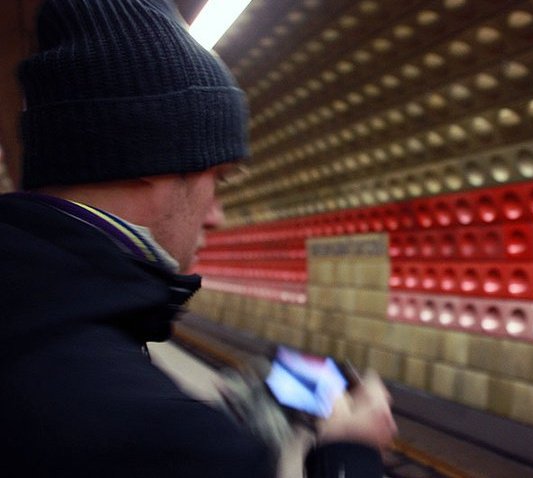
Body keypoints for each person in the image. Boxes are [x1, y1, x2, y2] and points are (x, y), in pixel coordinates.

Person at [0, 0, 397, 477]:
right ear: (148, 157)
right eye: (219, 178)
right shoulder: (167, 437)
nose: (218, 216)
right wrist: (350, 456)